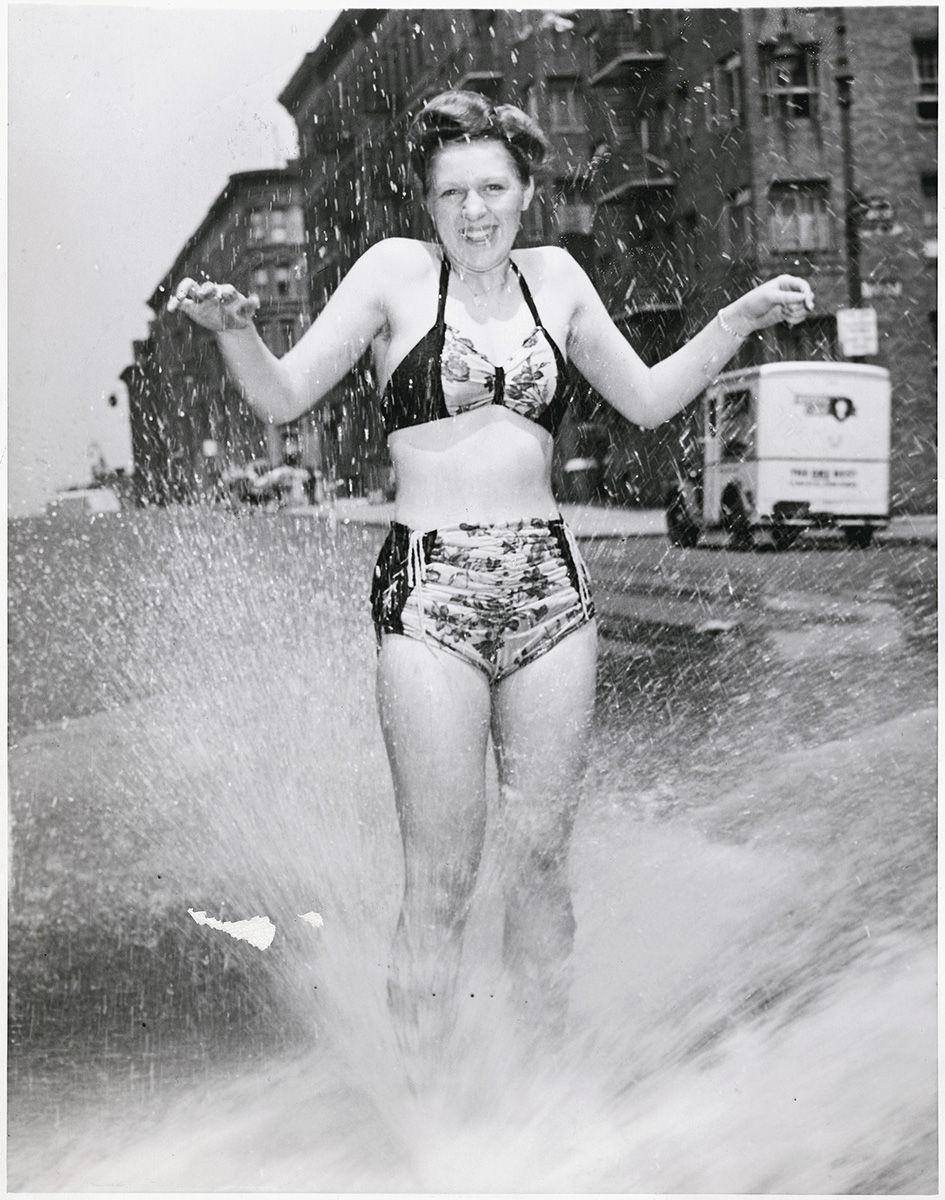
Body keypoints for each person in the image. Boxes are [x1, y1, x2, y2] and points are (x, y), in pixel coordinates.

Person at [170, 89, 814, 1056]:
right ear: (428, 204)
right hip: (429, 596)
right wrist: (235, 332)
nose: (473, 212)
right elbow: (284, 393)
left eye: (492, 190)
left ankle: (538, 1086)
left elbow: (645, 400)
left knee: (541, 860)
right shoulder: (393, 274)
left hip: (551, 591)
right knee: (442, 877)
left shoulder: (556, 279)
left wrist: (737, 317)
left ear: (524, 194)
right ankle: (434, 1112)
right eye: (451, 194)